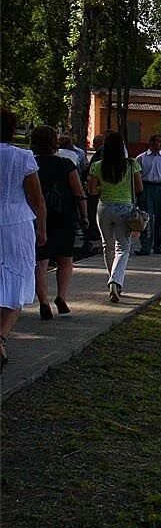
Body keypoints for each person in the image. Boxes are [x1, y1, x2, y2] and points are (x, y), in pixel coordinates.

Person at [1, 108, 46, 367]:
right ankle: (1, 336)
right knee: (17, 277)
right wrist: (42, 228)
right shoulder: (23, 157)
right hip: (17, 223)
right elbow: (37, 199)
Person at [31, 126, 88, 319]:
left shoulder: (31, 164)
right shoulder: (66, 164)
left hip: (38, 215)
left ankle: (43, 301)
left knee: (41, 261)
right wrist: (84, 216)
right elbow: (79, 192)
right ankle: (61, 296)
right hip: (64, 214)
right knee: (65, 259)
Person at [88, 131, 142, 304]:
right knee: (123, 248)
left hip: (103, 208)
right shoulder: (132, 164)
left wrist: (104, 189)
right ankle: (115, 281)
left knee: (107, 246)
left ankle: (112, 278)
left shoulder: (97, 166)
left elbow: (91, 191)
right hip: (124, 209)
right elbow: (139, 187)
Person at [83, 133, 105, 251]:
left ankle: (95, 231)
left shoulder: (100, 154)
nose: (93, 145)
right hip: (99, 189)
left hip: (98, 190)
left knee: (94, 211)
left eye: (95, 142)